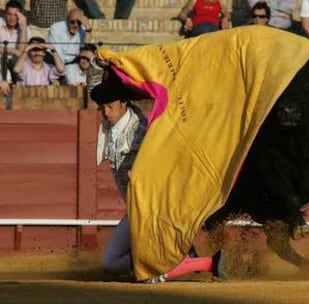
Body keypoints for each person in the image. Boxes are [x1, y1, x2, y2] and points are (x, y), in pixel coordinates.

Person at [91, 71, 227, 283]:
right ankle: (189, 260)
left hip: (153, 210)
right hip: (135, 211)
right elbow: (96, 89)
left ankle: (203, 263)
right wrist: (96, 65)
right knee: (111, 263)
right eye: (103, 108)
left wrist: (141, 171)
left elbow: (159, 157)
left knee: (149, 275)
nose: (106, 112)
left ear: (124, 103)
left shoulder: (139, 128)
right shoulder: (112, 124)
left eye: (110, 106)